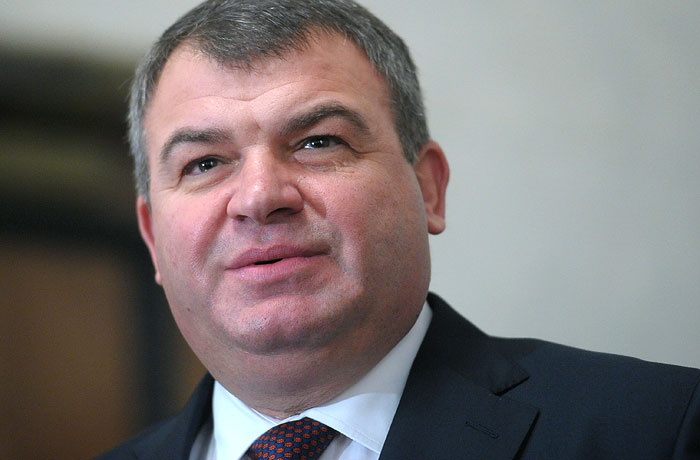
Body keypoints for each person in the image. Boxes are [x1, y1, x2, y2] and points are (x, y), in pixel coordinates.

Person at [97, 1, 700, 458]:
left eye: (318, 142)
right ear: (152, 237)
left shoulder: (659, 429)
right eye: (204, 163)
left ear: (428, 188)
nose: (259, 198)